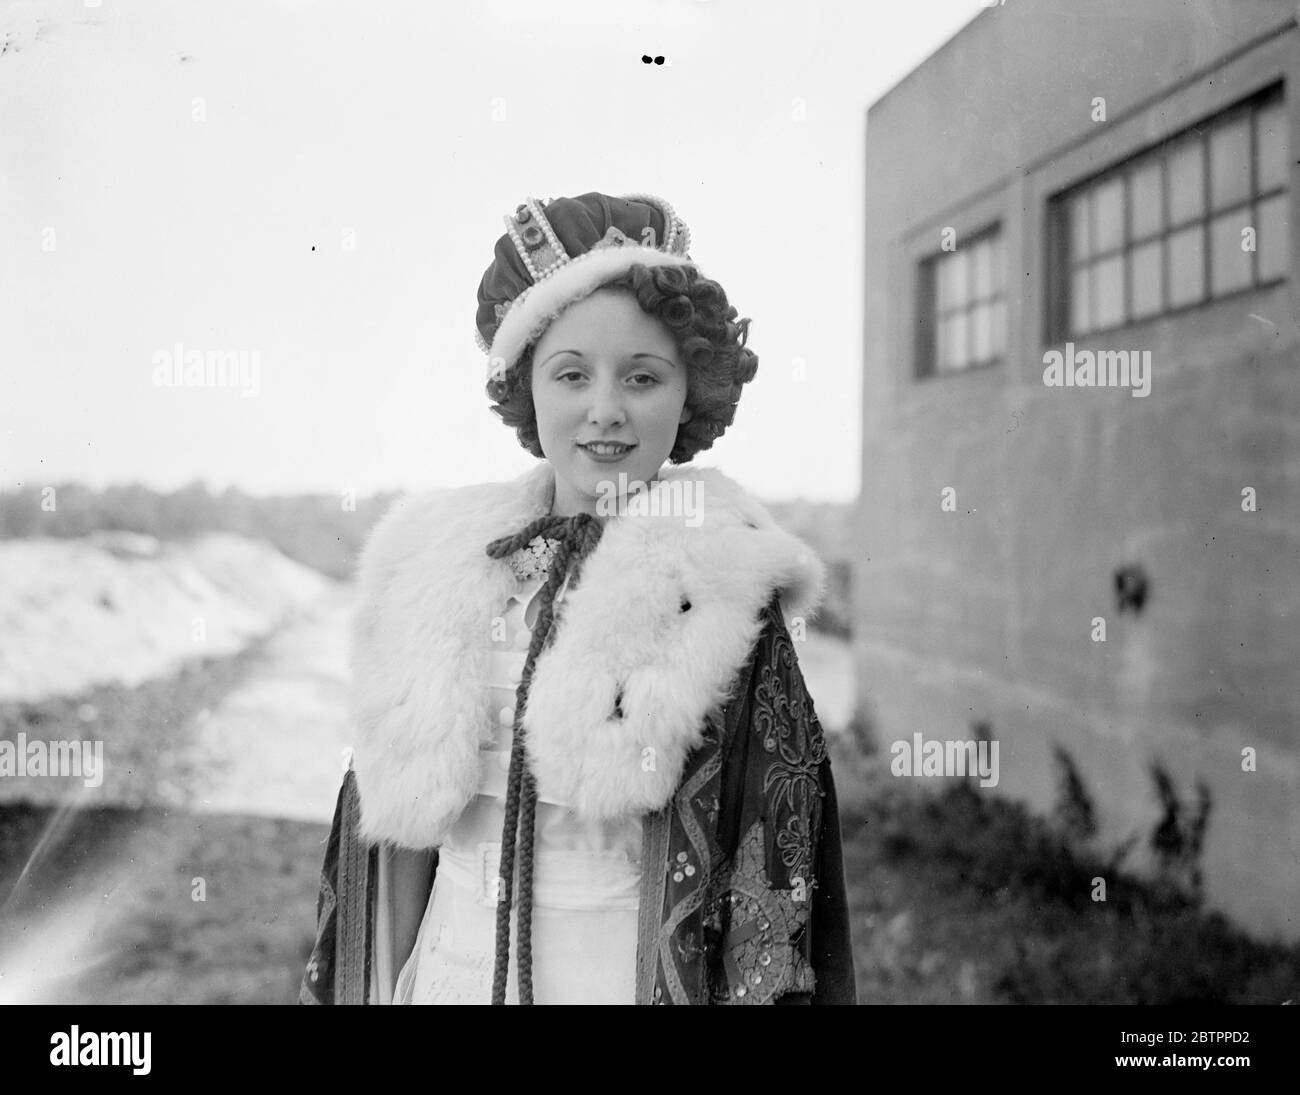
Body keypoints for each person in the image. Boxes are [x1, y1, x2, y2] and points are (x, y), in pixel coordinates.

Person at [300, 191, 856, 1005]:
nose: (606, 411)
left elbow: (777, 857)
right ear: (527, 387)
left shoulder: (718, 589)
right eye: (571, 374)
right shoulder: (439, 570)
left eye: (642, 376)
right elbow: (382, 853)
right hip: (448, 974)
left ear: (689, 391)